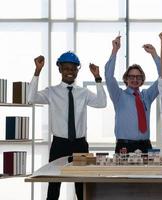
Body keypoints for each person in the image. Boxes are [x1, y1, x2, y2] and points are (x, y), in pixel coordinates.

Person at [28, 51, 107, 200]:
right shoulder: (51, 92)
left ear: (77, 70)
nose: (69, 72)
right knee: (54, 184)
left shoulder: (83, 92)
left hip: (80, 144)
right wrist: (37, 71)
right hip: (59, 144)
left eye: (73, 69)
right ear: (60, 69)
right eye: (66, 68)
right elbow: (31, 98)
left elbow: (102, 103)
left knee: (81, 185)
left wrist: (97, 78)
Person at [105, 36, 161, 153]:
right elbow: (109, 77)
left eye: (138, 77)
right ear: (126, 78)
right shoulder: (118, 96)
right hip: (124, 146)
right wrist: (115, 50)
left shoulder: (147, 95)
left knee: (147, 172)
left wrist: (154, 55)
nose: (135, 79)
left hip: (145, 146)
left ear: (142, 79)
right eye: (131, 76)